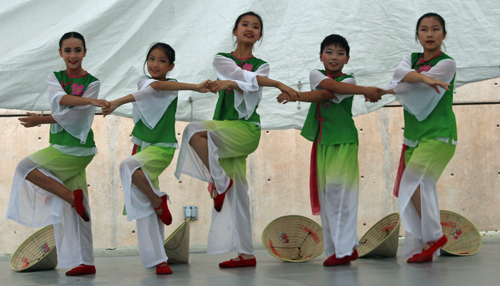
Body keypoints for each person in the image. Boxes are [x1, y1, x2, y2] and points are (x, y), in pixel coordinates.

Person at [174, 11, 299, 268]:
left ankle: (220, 183)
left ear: (260, 35)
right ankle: (246, 254)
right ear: (235, 31)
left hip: (246, 130)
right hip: (224, 129)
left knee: (194, 131)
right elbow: (237, 76)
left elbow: (249, 84)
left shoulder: (262, 65)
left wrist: (259, 82)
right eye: (245, 24)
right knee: (239, 194)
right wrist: (272, 83)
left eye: (256, 26)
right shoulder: (222, 59)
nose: (250, 28)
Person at [6, 32, 109, 276]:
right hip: (62, 146)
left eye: (77, 50)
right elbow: (59, 100)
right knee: (80, 208)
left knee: (24, 168)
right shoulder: (55, 77)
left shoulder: (93, 82)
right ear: (60, 53)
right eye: (68, 50)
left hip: (76, 149)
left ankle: (71, 197)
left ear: (85, 52)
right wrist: (88, 102)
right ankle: (86, 261)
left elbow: (75, 116)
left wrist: (43, 119)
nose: (73, 55)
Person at [102, 43, 210, 274]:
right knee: (143, 206)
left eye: (162, 61)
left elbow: (159, 86)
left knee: (128, 167)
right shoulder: (143, 81)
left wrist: (196, 87)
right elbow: (148, 89)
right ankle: (158, 260)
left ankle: (156, 199)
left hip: (161, 149)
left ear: (170, 66)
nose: (154, 64)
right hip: (142, 148)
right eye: (151, 58)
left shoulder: (170, 86)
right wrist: (117, 102)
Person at [277, 34, 382, 266]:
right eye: (329, 52)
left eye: (340, 53)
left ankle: (345, 249)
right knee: (327, 197)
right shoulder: (316, 74)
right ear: (321, 56)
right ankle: (338, 250)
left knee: (340, 194)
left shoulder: (350, 82)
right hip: (323, 142)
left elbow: (329, 92)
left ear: (347, 59)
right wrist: (297, 95)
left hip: (343, 140)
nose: (334, 57)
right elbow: (324, 87)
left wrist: (296, 95)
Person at [383, 12, 456, 263]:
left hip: (439, 135)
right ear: (417, 35)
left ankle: (434, 237)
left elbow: (406, 85)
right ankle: (428, 246)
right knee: (423, 190)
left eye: (436, 29)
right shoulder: (410, 58)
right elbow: (400, 74)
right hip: (414, 137)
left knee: (412, 184)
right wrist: (422, 77)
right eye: (424, 29)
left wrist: (417, 79)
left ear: (444, 35)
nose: (429, 34)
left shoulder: (448, 63)